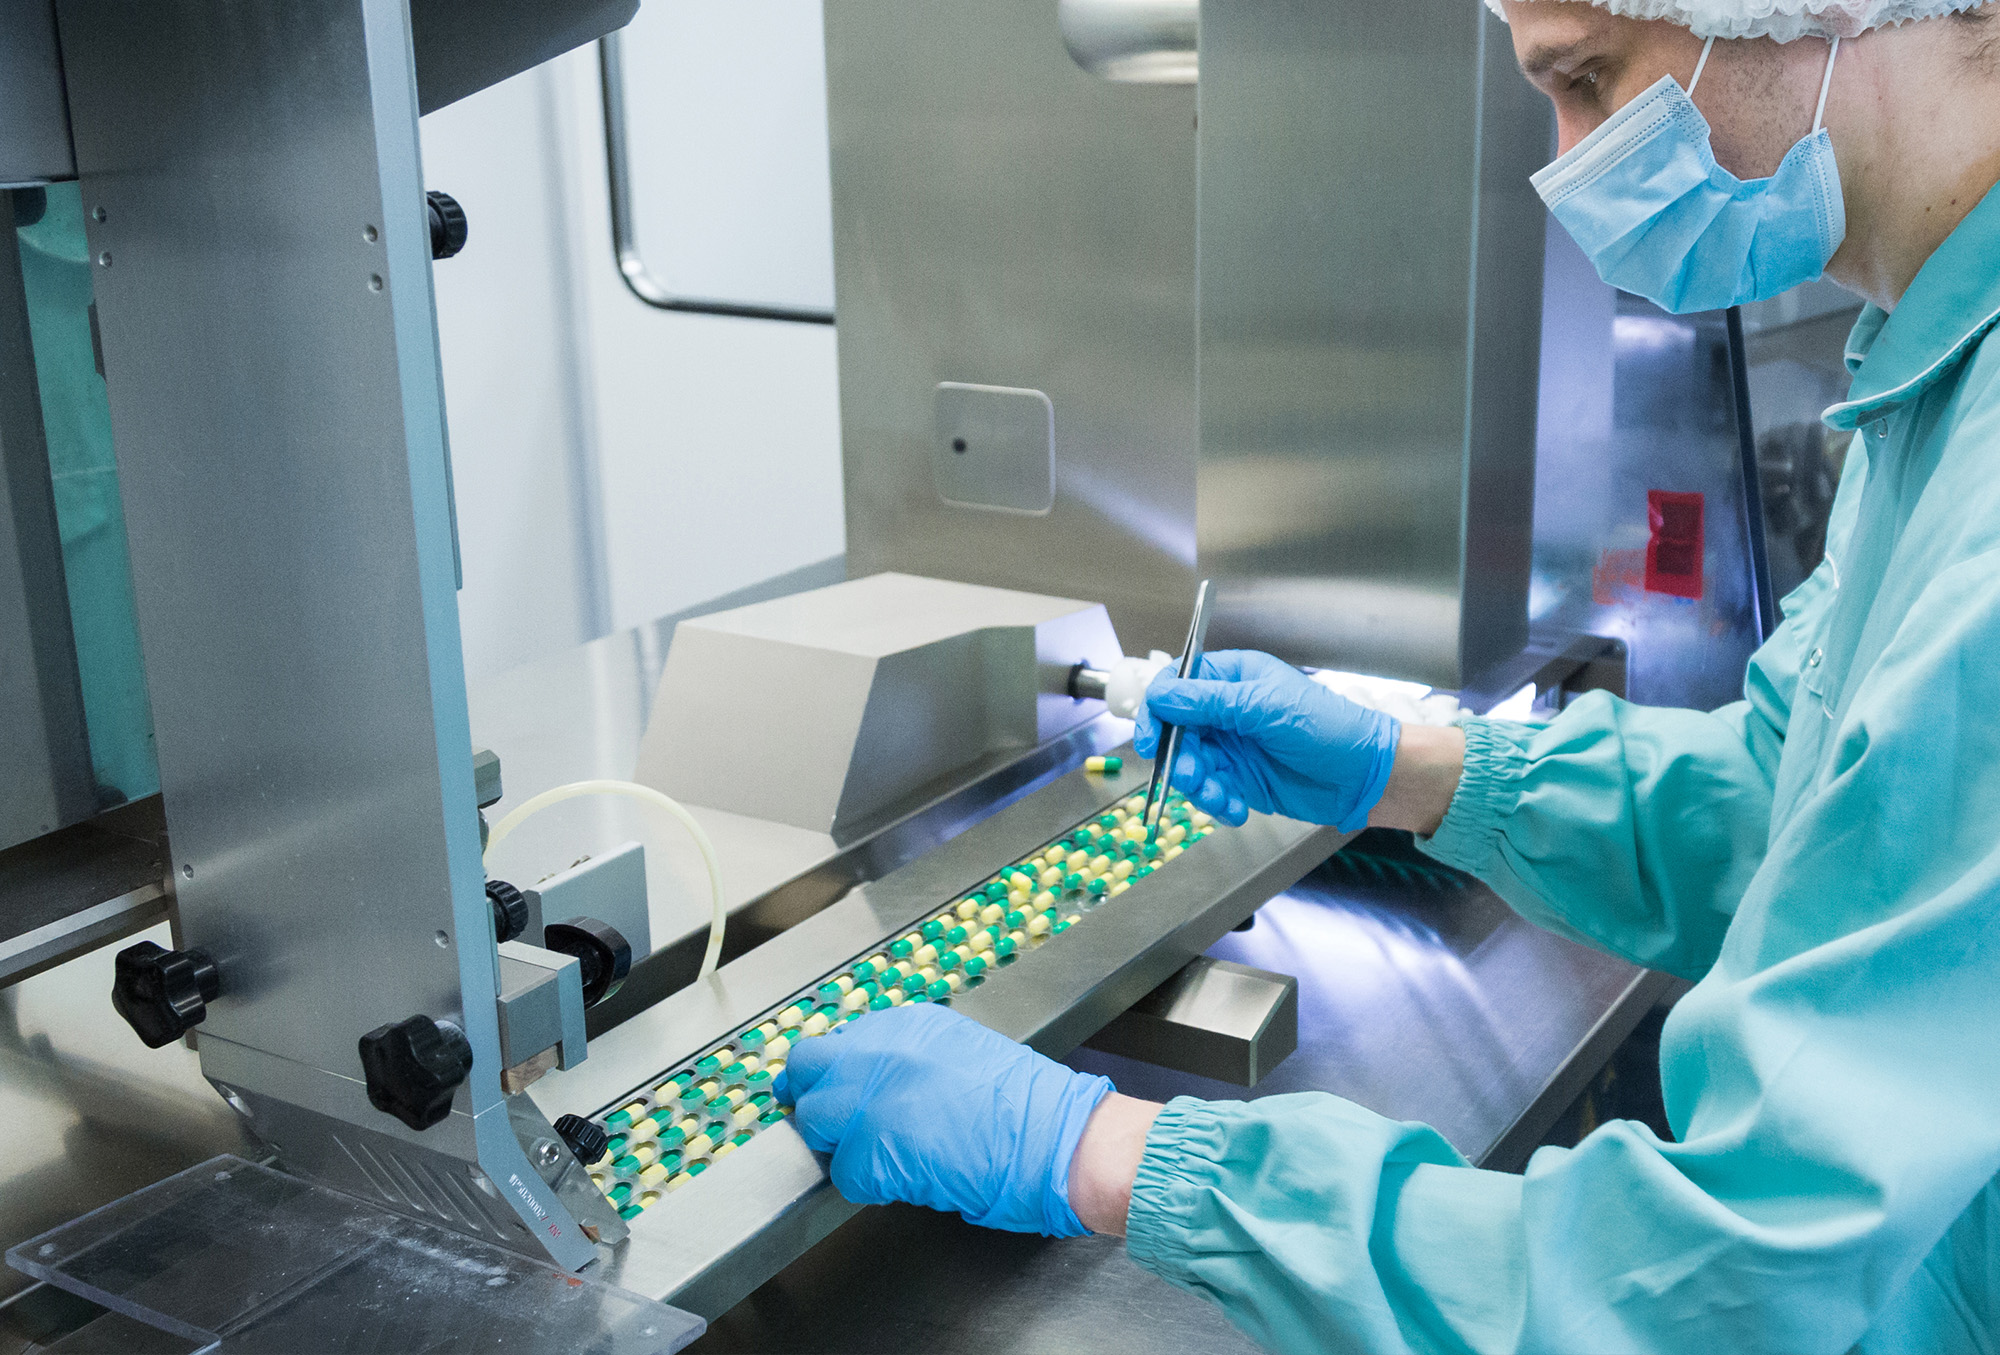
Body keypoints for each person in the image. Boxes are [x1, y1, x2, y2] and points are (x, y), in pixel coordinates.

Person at [778, 0, 2000, 1348]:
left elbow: (1715, 1284)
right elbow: (1796, 801)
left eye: (1587, 79)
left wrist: (1103, 1153)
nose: (1568, 155)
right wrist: (1410, 770)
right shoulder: (1940, 388)